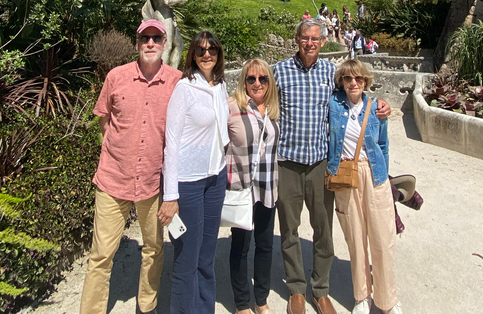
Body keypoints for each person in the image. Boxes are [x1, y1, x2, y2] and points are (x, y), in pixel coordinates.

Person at [273, 19, 391, 314]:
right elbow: (259, 98)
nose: (310, 43)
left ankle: (320, 289)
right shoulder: (279, 72)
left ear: (323, 42)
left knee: (323, 229)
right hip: (287, 161)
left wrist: (379, 104)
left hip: (320, 163)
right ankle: (296, 289)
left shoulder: (330, 73)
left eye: (315, 38)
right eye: (305, 37)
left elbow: (356, 97)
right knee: (289, 229)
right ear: (297, 38)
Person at [81, 20, 182, 314]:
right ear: (136, 44)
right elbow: (104, 119)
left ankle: (147, 306)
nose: (150, 43)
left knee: (153, 249)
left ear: (164, 44)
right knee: (100, 254)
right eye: (145, 38)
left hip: (152, 182)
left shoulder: (176, 82)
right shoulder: (116, 77)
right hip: (114, 180)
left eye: (156, 38)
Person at [158, 32, 229, 314]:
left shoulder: (219, 86)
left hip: (215, 180)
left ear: (219, 53)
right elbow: (171, 142)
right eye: (200, 50)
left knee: (206, 257)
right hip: (187, 183)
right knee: (187, 259)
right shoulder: (184, 88)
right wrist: (170, 195)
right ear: (192, 56)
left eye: (212, 49)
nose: (206, 54)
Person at [327, 60, 401, 314]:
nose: (353, 83)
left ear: (366, 81)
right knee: (355, 239)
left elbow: (383, 145)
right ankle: (362, 296)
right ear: (342, 82)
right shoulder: (334, 105)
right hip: (346, 175)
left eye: (358, 78)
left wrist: (383, 179)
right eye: (348, 79)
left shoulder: (375, 108)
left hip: (374, 174)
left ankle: (387, 300)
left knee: (382, 239)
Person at [226, 59, 281, 314]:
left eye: (263, 79)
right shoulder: (232, 107)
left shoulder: (274, 110)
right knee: (241, 247)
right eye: (251, 79)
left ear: (270, 82)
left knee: (265, 245)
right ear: (243, 82)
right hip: (242, 188)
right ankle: (242, 303)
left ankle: (261, 300)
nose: (257, 84)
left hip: (268, 187)